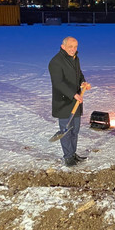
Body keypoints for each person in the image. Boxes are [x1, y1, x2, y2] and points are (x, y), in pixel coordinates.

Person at [48, 36, 91, 167]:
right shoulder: (55, 62)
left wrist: (83, 82)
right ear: (63, 47)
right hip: (64, 102)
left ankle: (72, 153)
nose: (73, 49)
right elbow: (58, 83)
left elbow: (79, 73)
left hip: (75, 101)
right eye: (70, 47)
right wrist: (73, 94)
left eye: (75, 47)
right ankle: (68, 157)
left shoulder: (75, 58)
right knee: (65, 132)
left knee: (74, 130)